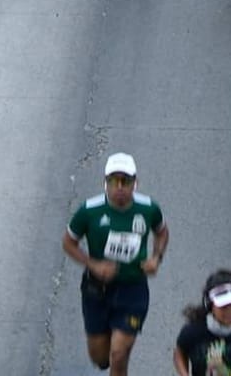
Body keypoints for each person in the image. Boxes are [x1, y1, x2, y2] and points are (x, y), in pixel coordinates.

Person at [63, 152, 168, 376]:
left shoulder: (148, 208)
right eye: (113, 181)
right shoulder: (89, 211)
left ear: (135, 183)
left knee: (118, 353)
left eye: (126, 181)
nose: (119, 187)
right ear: (105, 183)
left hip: (133, 288)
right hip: (97, 289)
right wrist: (93, 264)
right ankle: (112, 344)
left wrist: (156, 258)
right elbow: (69, 243)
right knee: (101, 358)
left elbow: (162, 232)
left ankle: (121, 345)